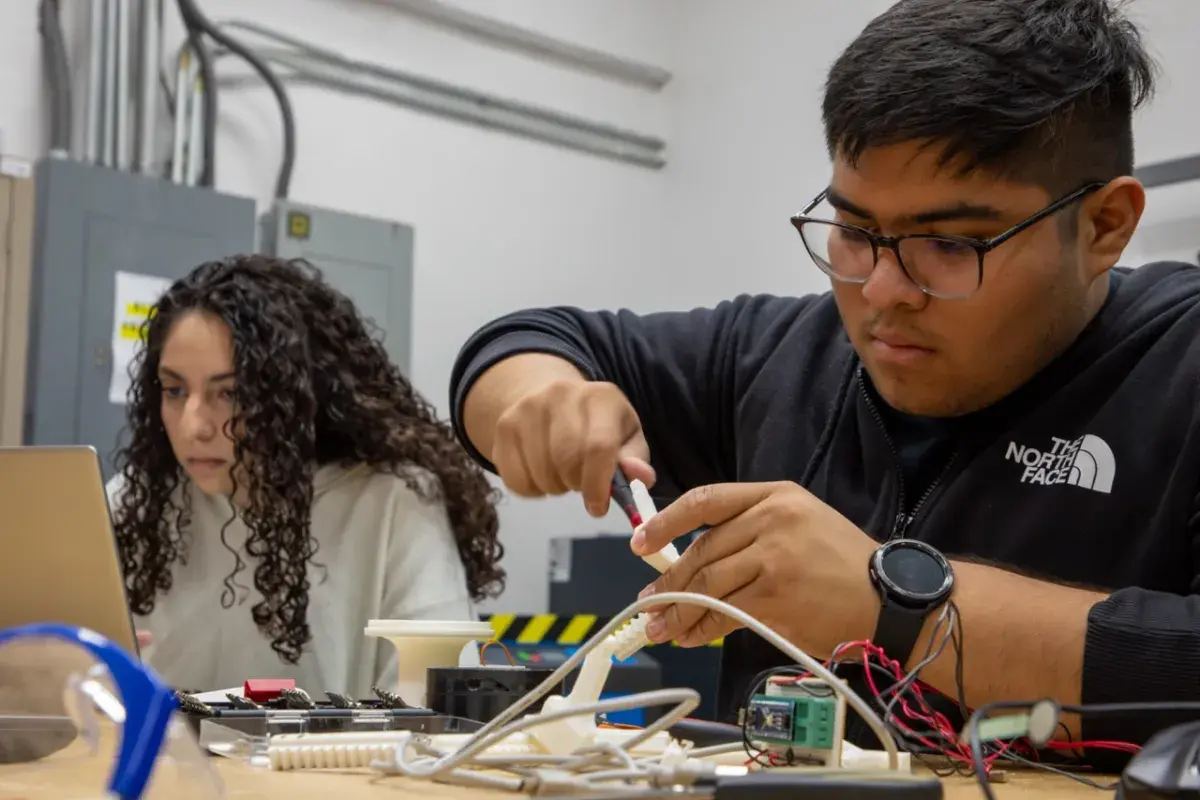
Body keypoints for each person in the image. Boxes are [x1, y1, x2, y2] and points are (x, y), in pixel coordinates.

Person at [448, 0, 1200, 764]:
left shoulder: (1182, 366)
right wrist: (545, 399)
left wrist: (898, 609)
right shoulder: (777, 356)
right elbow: (526, 342)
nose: (881, 291)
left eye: (947, 244)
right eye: (854, 230)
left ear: (1106, 226)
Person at [108, 254, 505, 699]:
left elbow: (442, 717)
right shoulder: (133, 504)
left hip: (341, 770)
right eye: (175, 390)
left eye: (229, 393)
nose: (192, 425)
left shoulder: (393, 504)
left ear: (293, 397)